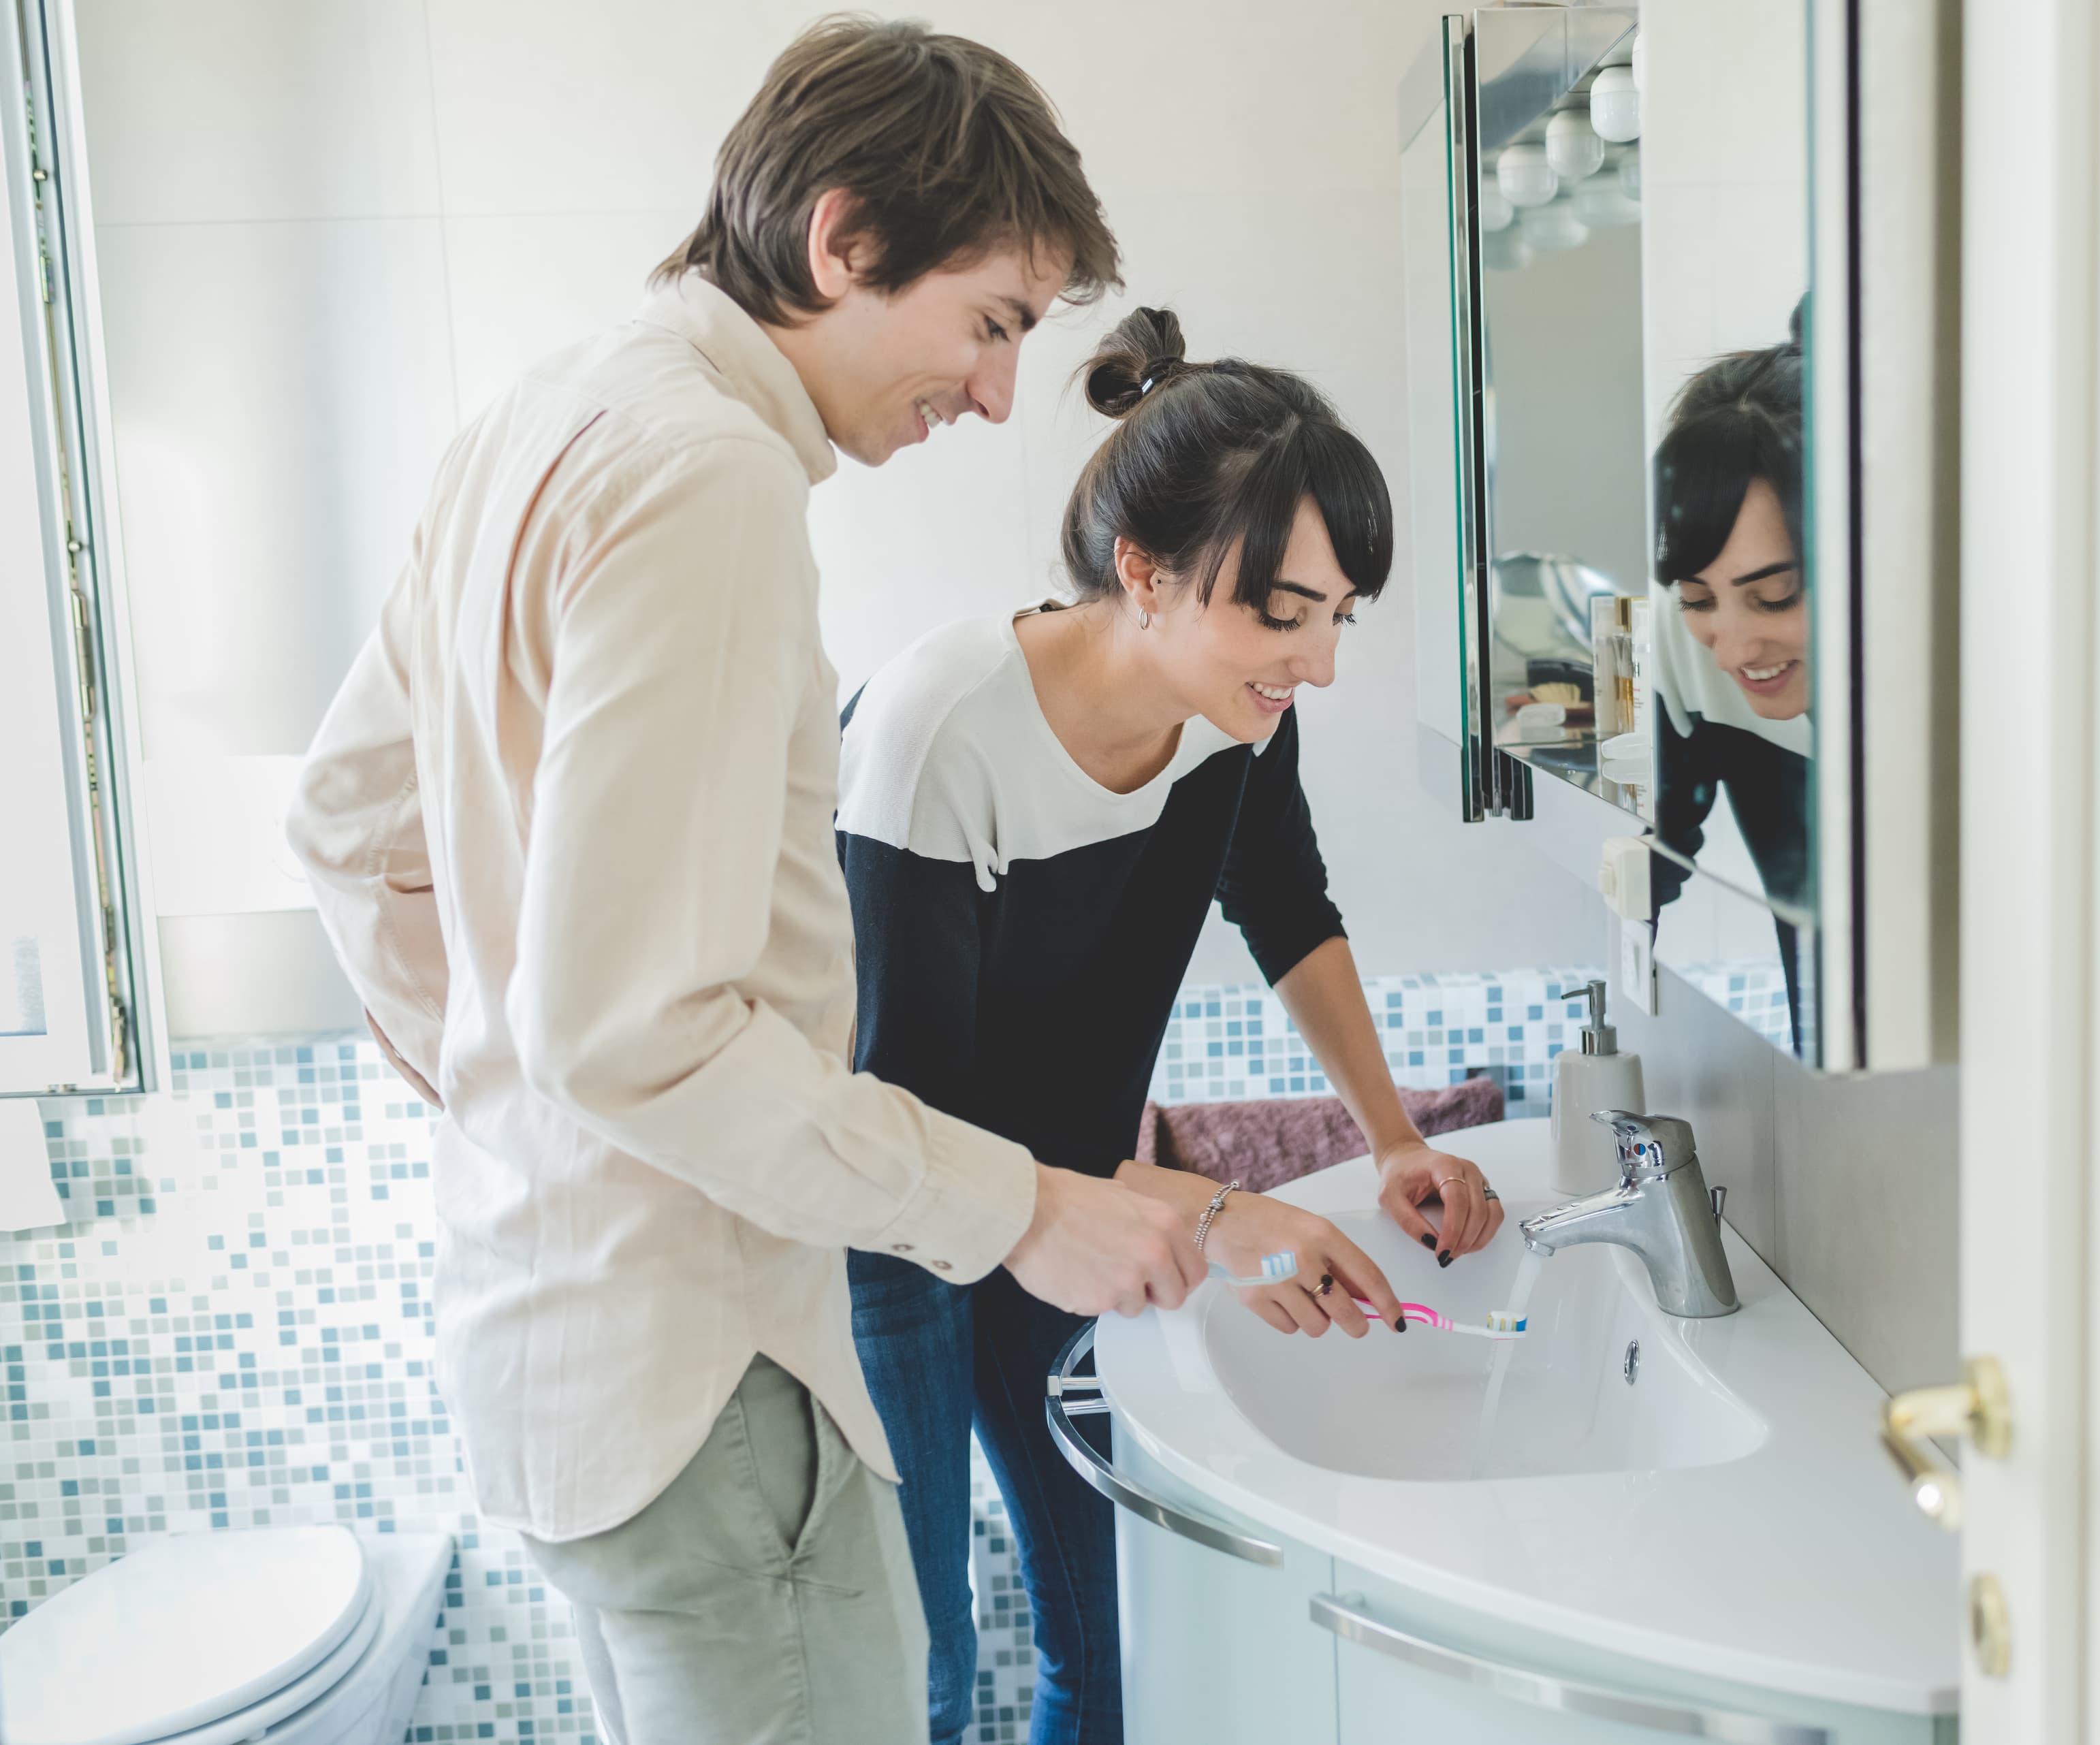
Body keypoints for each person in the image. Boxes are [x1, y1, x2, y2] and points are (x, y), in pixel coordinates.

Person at [285, 24, 1211, 1745]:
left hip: (562, 1367)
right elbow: (639, 1034)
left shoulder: (539, 414)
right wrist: (1024, 1208)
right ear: (843, 240)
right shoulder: (705, 472)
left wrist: (518, 1102)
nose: (999, 393)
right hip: (712, 1383)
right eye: (992, 322)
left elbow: (350, 825)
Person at [834, 307, 1509, 1745]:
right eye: (1284, 615)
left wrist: (1391, 1140)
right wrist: (1220, 1216)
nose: (1316, 665)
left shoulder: (1240, 716)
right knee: (924, 1666)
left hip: (1072, 1190)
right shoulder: (941, 731)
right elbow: (918, 1113)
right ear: (1142, 572)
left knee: (1108, 1634)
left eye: (1338, 618)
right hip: (895, 1222)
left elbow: (1289, 903)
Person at [1649, 335, 1814, 1043]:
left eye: (1776, 596)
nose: (1735, 650)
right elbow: (1647, 854)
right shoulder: (1681, 643)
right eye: (1698, 596)